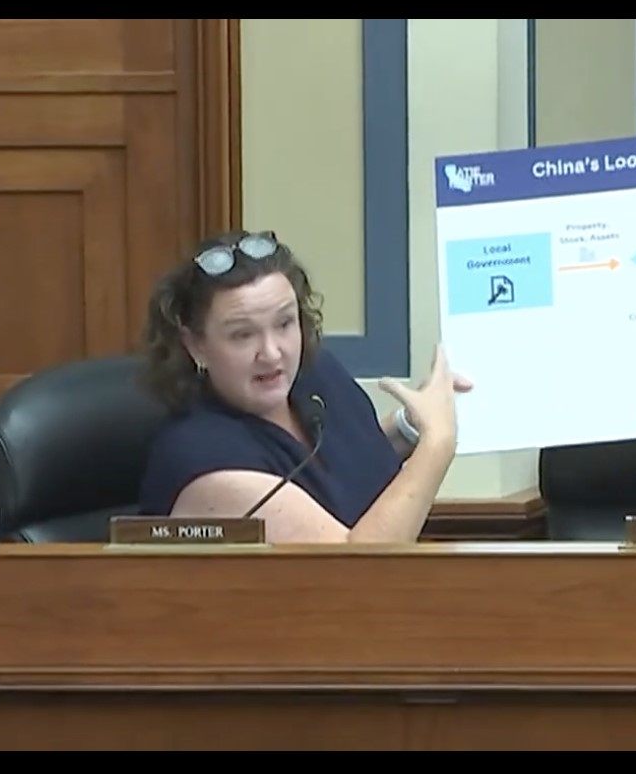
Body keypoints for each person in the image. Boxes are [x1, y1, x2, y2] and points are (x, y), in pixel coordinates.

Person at [137, 229, 472, 543]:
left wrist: (410, 427)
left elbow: (339, 474)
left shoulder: (316, 377)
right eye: (242, 335)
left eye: (284, 323)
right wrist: (437, 444)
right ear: (196, 345)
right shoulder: (205, 462)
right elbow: (359, 571)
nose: (271, 353)